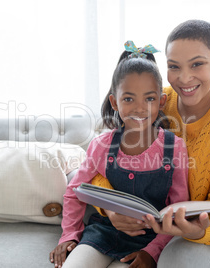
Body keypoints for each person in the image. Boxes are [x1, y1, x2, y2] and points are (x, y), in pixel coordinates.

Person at [100, 20, 210, 267]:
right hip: (162, 225)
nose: (185, 78)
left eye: (197, 64)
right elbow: (99, 164)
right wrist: (111, 210)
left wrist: (196, 231)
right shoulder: (155, 101)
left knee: (178, 261)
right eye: (174, 66)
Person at [49, 41, 190, 268]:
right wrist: (69, 235)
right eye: (128, 99)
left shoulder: (175, 148)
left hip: (149, 240)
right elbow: (75, 191)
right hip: (103, 233)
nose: (139, 108)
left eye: (150, 98)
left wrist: (152, 252)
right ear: (114, 102)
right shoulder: (101, 145)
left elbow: (178, 209)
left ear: (161, 101)